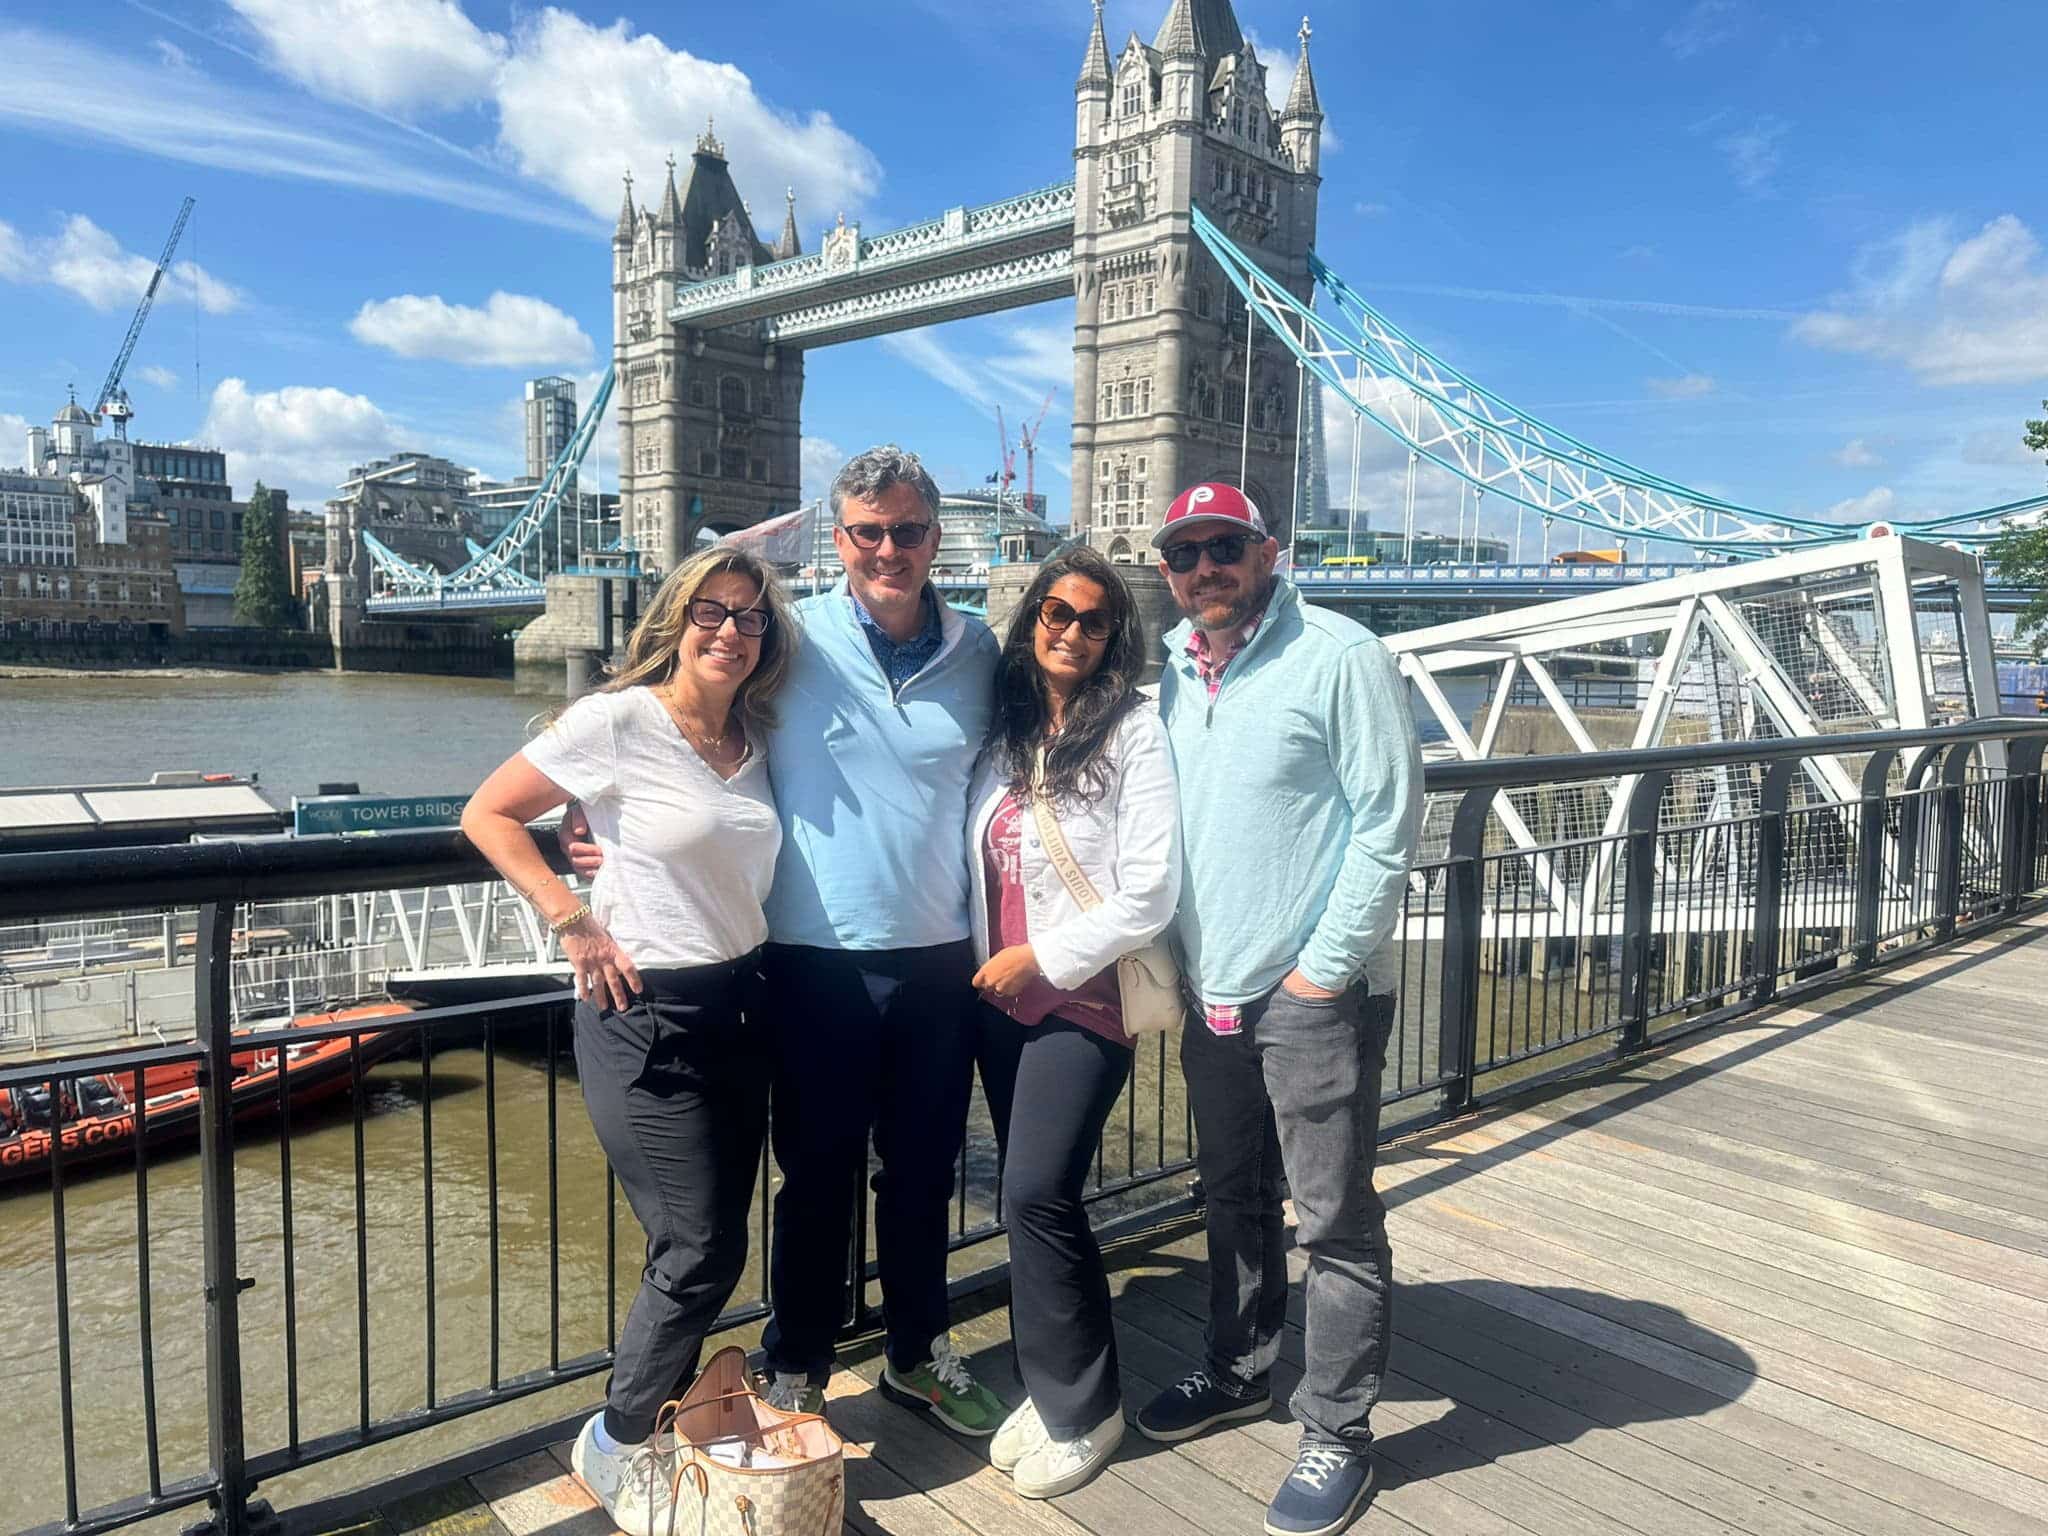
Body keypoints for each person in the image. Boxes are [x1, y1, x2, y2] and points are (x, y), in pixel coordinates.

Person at [564, 446, 1010, 1436]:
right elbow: (668, 707)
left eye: (907, 530)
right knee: (815, 1175)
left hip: (942, 958)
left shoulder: (980, 650)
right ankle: (797, 1363)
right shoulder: (788, 639)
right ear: (838, 539)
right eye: (867, 532)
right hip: (810, 963)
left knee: (922, 1173)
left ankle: (918, 1353)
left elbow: (1043, 751)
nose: (888, 550)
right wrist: (583, 805)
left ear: (936, 538)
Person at [460, 546, 798, 1536]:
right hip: (641, 1012)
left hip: (740, 1007)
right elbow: (488, 814)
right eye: (711, 612)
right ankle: (612, 1444)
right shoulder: (616, 721)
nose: (730, 630)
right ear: (675, 620)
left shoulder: (757, 736)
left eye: (750, 617)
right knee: (698, 1247)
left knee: (709, 1238)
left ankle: (658, 1421)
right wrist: (573, 920)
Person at [1132, 483, 1423, 1536]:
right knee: (1231, 1198)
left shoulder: (1341, 656)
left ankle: (1336, 1430)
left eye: (1224, 547)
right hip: (1210, 990)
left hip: (1309, 996)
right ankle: (1238, 1367)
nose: (1204, 568)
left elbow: (1388, 823)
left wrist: (1321, 972)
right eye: (1184, 554)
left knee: (1332, 1220)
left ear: (1269, 552)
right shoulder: (1169, 669)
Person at [965, 548, 1180, 1499]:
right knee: (1031, 1205)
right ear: (1031, 621)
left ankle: (1087, 1409)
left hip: (1083, 1000)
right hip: (1000, 1003)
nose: (1073, 632)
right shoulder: (1006, 730)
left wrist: (1041, 958)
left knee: (1037, 1193)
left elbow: (1152, 891)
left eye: (1095, 621)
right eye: (1057, 612)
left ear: (1114, 638)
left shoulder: (1134, 730)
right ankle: (1050, 1379)